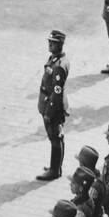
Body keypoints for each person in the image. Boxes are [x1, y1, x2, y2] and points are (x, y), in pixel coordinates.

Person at [36, 29, 70, 181]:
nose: (50, 45)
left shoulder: (59, 66)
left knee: (55, 139)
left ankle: (55, 170)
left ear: (60, 45)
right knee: (57, 138)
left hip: (52, 105)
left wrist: (49, 112)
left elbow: (56, 92)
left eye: (54, 43)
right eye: (49, 42)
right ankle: (56, 167)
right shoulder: (57, 59)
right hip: (51, 102)